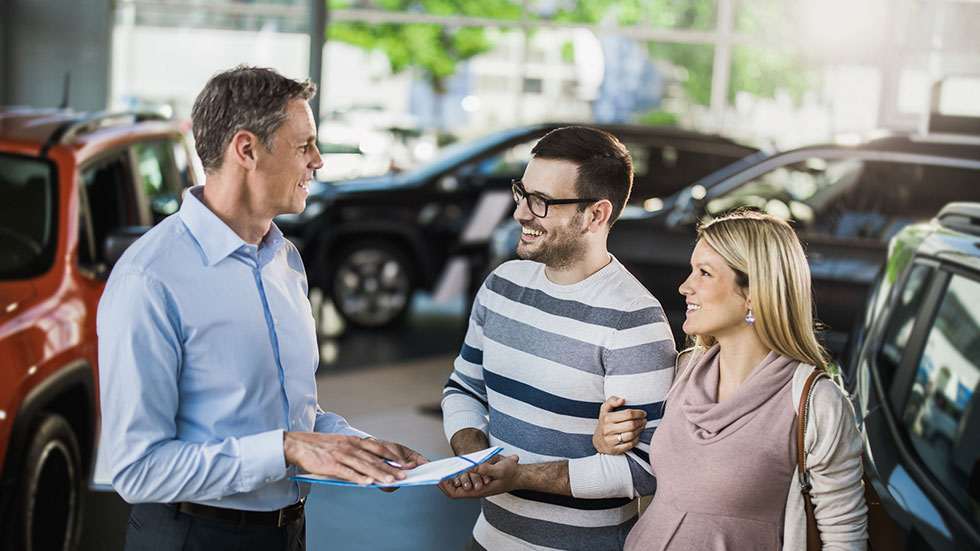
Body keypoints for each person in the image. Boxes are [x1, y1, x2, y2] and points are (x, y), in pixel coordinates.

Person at [97, 66, 426, 551]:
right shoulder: (149, 279)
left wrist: (355, 445)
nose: (318, 161)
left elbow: (289, 415)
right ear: (246, 149)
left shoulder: (284, 258)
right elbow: (138, 470)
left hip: (288, 531)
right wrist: (286, 448)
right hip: (192, 535)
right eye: (304, 145)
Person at [439, 126, 677, 550]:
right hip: (485, 540)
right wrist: (475, 456)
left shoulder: (635, 321)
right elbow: (463, 387)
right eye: (522, 193)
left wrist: (517, 476)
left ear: (596, 215)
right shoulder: (501, 285)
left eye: (542, 202)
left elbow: (644, 469)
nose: (521, 213)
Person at [593, 209, 868, 550]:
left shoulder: (817, 404)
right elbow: (651, 470)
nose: (685, 286)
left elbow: (844, 538)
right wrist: (608, 440)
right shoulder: (684, 371)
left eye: (704, 273)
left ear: (753, 293)